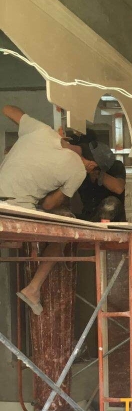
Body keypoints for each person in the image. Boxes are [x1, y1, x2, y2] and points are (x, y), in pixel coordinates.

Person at [0, 105, 96, 315]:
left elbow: (7, 109)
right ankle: (32, 289)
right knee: (62, 236)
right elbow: (49, 205)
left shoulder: (41, 130)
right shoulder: (78, 170)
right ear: (90, 162)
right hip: (16, 210)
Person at [74, 130, 127, 222]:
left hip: (112, 218)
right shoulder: (80, 171)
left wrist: (97, 171)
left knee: (110, 205)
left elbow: (118, 188)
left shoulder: (115, 165)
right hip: (89, 217)